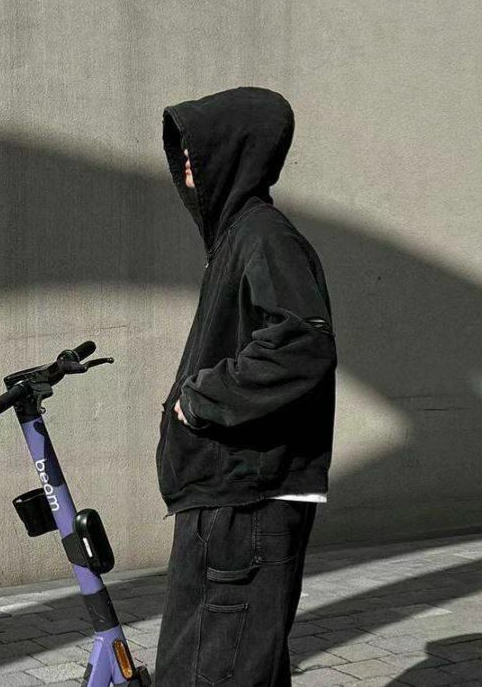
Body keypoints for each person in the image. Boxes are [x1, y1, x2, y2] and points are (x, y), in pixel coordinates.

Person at [154, 86, 338, 686]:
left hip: (245, 502)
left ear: (235, 151)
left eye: (198, 148)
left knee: (212, 671)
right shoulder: (239, 239)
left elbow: (301, 346)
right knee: (236, 665)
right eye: (182, 151)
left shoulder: (264, 237)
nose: (186, 163)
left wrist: (198, 401)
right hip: (232, 495)